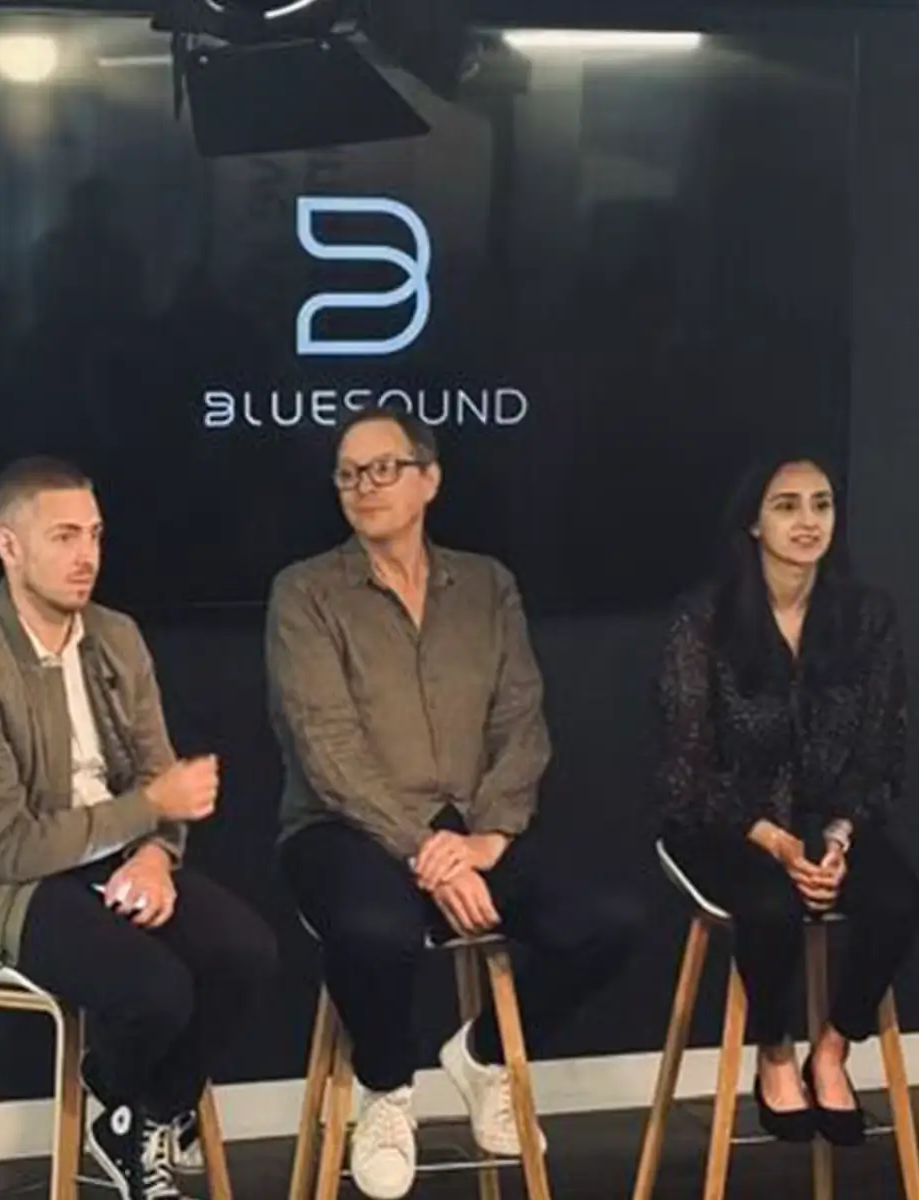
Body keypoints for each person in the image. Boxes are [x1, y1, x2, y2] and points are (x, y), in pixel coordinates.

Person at [266, 409, 645, 1200]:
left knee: (609, 918)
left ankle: (482, 1054)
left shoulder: (487, 585)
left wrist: (490, 837)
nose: (363, 487)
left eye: (383, 468)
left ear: (429, 478)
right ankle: (385, 1094)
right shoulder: (304, 592)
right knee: (377, 929)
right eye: (347, 473)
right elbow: (325, 748)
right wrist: (423, 852)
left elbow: (522, 721)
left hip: (472, 829)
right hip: (344, 830)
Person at [0, 456, 279, 1200]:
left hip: (102, 858)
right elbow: (0, 847)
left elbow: (155, 780)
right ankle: (132, 1105)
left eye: (95, 534)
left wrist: (157, 858)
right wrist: (147, 810)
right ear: (8, 546)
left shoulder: (116, 637)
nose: (87, 556)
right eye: (64, 536)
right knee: (155, 989)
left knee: (245, 954)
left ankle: (136, 1115)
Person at [653, 455, 919, 1147]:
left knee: (898, 902)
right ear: (753, 521)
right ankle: (773, 1051)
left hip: (827, 815)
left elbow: (880, 750)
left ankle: (832, 1048)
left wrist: (836, 836)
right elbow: (687, 766)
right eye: (787, 506)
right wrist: (773, 841)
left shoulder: (868, 616)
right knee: (769, 907)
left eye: (821, 504)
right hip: (723, 821)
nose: (808, 521)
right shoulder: (702, 617)